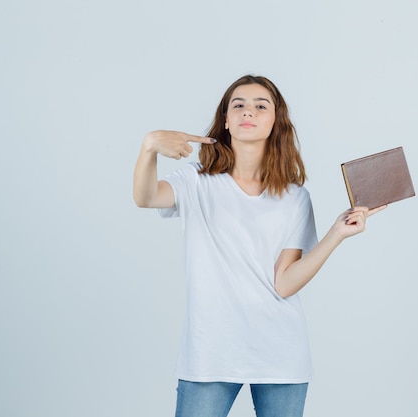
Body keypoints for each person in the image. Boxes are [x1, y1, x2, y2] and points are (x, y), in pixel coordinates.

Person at [133, 75, 386, 417]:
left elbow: (283, 283)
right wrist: (149, 147)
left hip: (280, 353)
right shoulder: (196, 181)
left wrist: (336, 234)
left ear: (275, 120)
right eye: (238, 105)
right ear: (225, 120)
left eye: (260, 105)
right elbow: (145, 197)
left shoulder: (295, 197)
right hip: (211, 353)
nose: (247, 111)